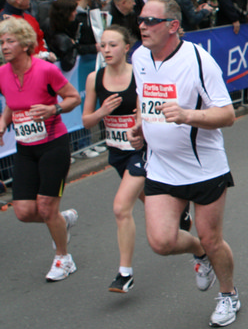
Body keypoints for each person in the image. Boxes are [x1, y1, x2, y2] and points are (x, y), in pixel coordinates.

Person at [128, 0, 240, 327]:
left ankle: (228, 294)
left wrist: (187, 115)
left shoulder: (198, 60)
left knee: (212, 238)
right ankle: (199, 253)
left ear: (173, 26)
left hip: (203, 167)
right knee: (161, 242)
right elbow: (144, 95)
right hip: (161, 166)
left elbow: (228, 114)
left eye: (151, 21)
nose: (143, 26)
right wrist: (140, 125)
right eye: (140, 20)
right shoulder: (139, 56)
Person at [0, 17, 82, 281]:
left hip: (53, 145)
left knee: (46, 207)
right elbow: (12, 103)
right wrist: (2, 123)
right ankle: (62, 220)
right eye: (1, 42)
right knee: (23, 212)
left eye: (10, 41)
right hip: (25, 149)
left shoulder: (46, 70)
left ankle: (63, 258)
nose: (4, 46)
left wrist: (53, 108)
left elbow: (73, 98)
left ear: (25, 45)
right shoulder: (2, 74)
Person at [81, 25, 145, 293]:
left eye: (112, 45)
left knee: (121, 207)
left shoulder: (139, 74)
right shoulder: (94, 78)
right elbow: (86, 121)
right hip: (117, 152)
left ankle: (125, 273)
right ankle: (179, 212)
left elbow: (143, 110)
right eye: (103, 45)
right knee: (148, 199)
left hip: (140, 149)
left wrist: (138, 127)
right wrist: (102, 112)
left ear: (126, 48)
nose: (106, 50)